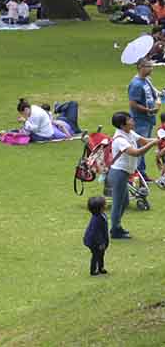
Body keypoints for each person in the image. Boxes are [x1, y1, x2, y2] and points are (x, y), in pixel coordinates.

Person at [109, 111, 157, 239]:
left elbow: (144, 141)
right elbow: (135, 152)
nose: (132, 121)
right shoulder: (120, 140)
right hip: (118, 173)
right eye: (129, 119)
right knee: (118, 203)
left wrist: (159, 140)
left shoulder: (129, 133)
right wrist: (152, 144)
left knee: (124, 202)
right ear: (122, 125)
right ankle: (115, 230)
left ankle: (117, 226)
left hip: (124, 173)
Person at [127, 58, 158, 174]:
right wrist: (148, 110)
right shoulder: (136, 84)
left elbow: (153, 95)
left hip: (149, 119)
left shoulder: (146, 80)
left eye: (151, 66)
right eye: (149, 66)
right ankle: (136, 175)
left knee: (145, 148)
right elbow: (133, 104)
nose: (151, 69)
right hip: (140, 120)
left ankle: (142, 172)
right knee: (140, 147)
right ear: (140, 67)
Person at [83, 195, 109, 276]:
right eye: (104, 204)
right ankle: (93, 270)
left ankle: (101, 267)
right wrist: (100, 243)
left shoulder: (101, 215)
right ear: (100, 208)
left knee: (101, 254)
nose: (106, 205)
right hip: (93, 241)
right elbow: (95, 233)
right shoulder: (96, 219)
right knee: (96, 255)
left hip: (100, 240)